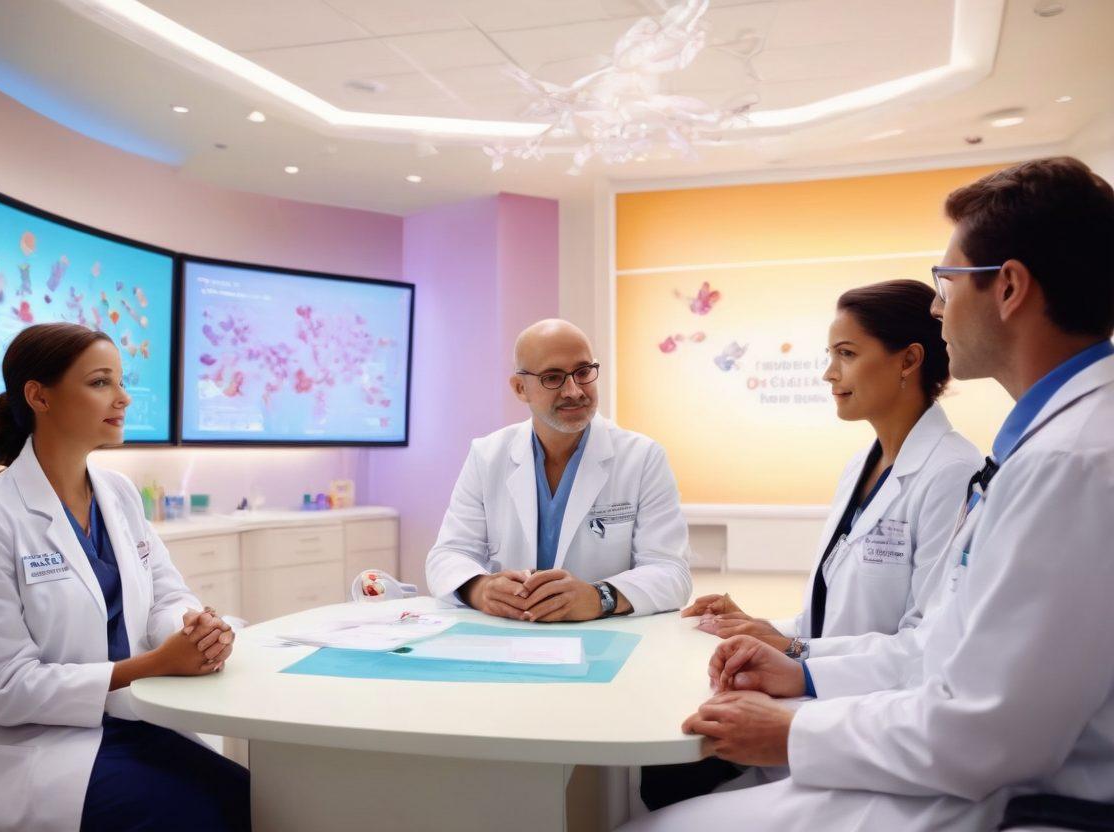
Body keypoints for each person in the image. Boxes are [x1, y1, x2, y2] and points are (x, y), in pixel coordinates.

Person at [620, 156, 1114, 831]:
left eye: (946, 282)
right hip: (936, 748)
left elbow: (985, 729)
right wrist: (797, 662)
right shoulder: (1046, 448)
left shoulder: (1069, 462)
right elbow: (941, 648)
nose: (937, 306)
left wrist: (794, 726)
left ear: (1008, 288)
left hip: (1003, 796)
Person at [642, 280, 981, 810]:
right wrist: (764, 627)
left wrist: (796, 657)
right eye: (831, 355)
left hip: (867, 728)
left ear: (908, 360)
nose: (829, 373)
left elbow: (925, 647)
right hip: (820, 699)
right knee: (658, 770)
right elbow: (833, 616)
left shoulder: (952, 473)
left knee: (668, 784)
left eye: (846, 354)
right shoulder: (863, 465)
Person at [0, 324, 250, 832]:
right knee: (209, 811)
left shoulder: (118, 494)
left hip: (124, 720)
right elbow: (3, 689)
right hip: (27, 747)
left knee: (253, 796)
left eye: (120, 381)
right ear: (39, 397)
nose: (123, 398)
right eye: (100, 382)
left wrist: (193, 631)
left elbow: (165, 595)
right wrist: (154, 664)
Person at [425, 319, 691, 622]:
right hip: (509, 634)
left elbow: (672, 572)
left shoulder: (642, 458)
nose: (573, 390)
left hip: (605, 636)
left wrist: (599, 597)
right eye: (553, 377)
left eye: (583, 372)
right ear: (520, 388)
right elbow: (448, 555)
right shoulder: (487, 456)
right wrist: (481, 589)